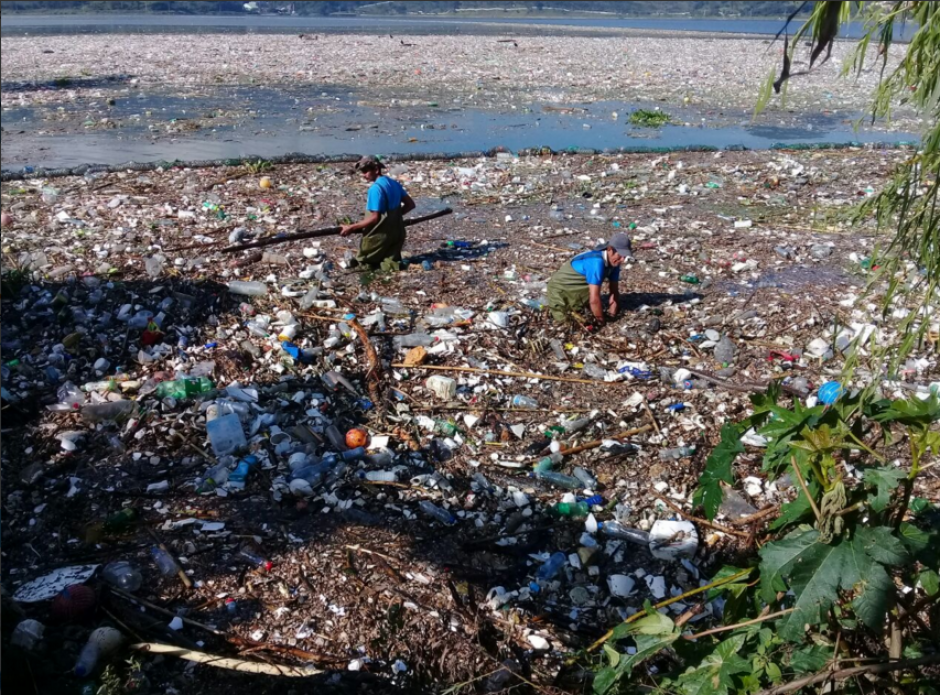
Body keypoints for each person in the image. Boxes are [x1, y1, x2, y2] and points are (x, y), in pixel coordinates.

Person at [340, 155, 416, 269]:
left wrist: (351, 227)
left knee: (365, 264)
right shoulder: (394, 183)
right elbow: (410, 205)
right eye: (362, 172)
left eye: (366, 171)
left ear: (376, 169)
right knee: (389, 264)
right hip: (397, 233)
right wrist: (393, 218)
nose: (364, 175)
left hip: (380, 236)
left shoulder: (375, 189)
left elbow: (374, 218)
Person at [546, 232, 635, 324]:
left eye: (624, 256)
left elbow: (614, 291)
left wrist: (612, 314)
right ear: (609, 249)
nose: (623, 260)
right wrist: (601, 322)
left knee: (582, 312)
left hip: (579, 291)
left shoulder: (615, 263)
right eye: (620, 255)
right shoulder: (596, 262)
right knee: (565, 321)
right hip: (559, 290)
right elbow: (594, 299)